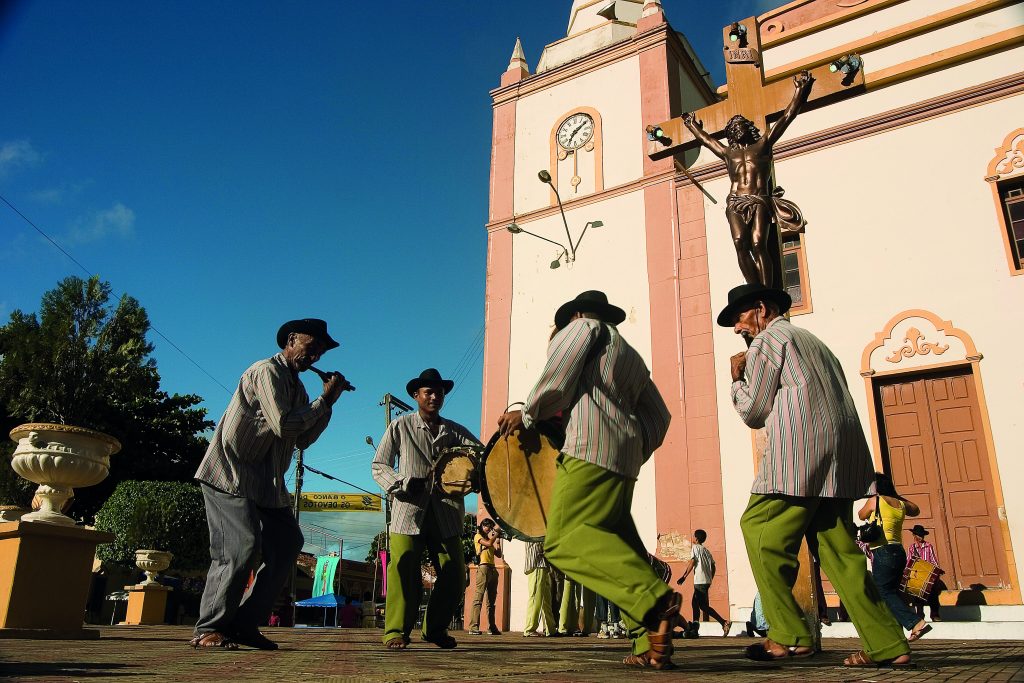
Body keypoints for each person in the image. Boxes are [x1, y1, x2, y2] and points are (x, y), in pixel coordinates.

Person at [719, 284, 912, 668]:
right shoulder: (813, 340)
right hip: (840, 456)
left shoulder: (767, 341)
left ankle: (787, 634)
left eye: (740, 318)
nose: (737, 328)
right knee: (840, 552)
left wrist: (737, 379)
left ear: (761, 308)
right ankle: (888, 643)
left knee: (758, 529)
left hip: (800, 452)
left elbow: (755, 411)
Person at [498, 290, 676, 669]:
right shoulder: (630, 354)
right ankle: (648, 641)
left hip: (588, 450)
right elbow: (660, 417)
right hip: (624, 460)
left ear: (577, 313)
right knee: (620, 544)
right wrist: (633, 447)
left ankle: (653, 599)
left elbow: (556, 380)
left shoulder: (581, 327)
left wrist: (527, 414)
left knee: (563, 542)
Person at [191, 318, 348, 650]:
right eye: (311, 347)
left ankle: (244, 625)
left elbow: (303, 438)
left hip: (266, 483)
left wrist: (327, 405)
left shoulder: (300, 389)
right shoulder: (267, 371)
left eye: (320, 352)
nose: (315, 357)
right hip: (230, 474)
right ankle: (209, 628)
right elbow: (284, 424)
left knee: (289, 542)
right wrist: (323, 403)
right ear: (291, 340)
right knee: (241, 546)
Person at [371, 368, 483, 650]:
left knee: (456, 572)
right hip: (409, 510)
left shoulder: (454, 430)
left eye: (439, 392)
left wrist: (475, 476)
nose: (435, 396)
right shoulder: (400, 426)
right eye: (428, 392)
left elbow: (481, 457)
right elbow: (379, 465)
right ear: (416, 395)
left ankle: (434, 628)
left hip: (446, 511)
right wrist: (403, 483)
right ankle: (396, 631)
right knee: (403, 568)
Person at [682, 72, 813, 288]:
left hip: (758, 198)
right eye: (734, 127)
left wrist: (800, 91)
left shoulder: (762, 145)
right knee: (739, 243)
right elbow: (706, 140)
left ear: (748, 128)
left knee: (757, 242)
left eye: (742, 125)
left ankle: (767, 290)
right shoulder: (728, 153)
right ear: (731, 133)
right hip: (735, 201)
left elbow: (786, 117)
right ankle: (754, 290)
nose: (738, 127)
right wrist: (692, 126)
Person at [859, 473, 931, 642]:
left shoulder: (875, 500)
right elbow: (916, 509)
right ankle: (899, 630)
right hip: (898, 550)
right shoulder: (900, 503)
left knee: (883, 591)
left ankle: (915, 622)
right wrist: (896, 495)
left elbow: (862, 515)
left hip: (882, 550)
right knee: (894, 592)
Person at [675, 529, 731, 636]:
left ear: (696, 538)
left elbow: (692, 561)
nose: (692, 538)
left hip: (700, 582)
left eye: (693, 536)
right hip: (706, 581)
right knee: (694, 603)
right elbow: (713, 566)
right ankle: (695, 627)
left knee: (703, 606)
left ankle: (723, 622)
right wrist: (710, 578)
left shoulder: (695, 548)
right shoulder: (706, 550)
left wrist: (684, 576)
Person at [468, 518, 503, 635]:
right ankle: (473, 627)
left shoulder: (490, 539)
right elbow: (487, 544)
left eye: (490, 526)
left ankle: (491, 627)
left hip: (492, 568)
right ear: (482, 526)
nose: (488, 528)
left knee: (491, 601)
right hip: (483, 568)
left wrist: (498, 541)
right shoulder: (478, 537)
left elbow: (498, 554)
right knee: (479, 598)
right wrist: (496, 534)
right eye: (486, 526)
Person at [907, 524, 943, 622]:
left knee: (933, 596)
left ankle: (935, 614)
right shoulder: (911, 548)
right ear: (914, 536)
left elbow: (933, 560)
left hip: (928, 575)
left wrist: (937, 571)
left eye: (921, 535)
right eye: (918, 535)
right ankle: (920, 616)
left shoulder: (928, 546)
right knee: (918, 597)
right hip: (918, 576)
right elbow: (909, 561)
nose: (919, 537)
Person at [522, 540, 556, 637]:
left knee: (546, 599)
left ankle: (551, 628)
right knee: (535, 598)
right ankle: (530, 628)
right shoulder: (534, 529)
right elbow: (540, 546)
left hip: (542, 564)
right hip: (537, 564)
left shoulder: (535, 528)